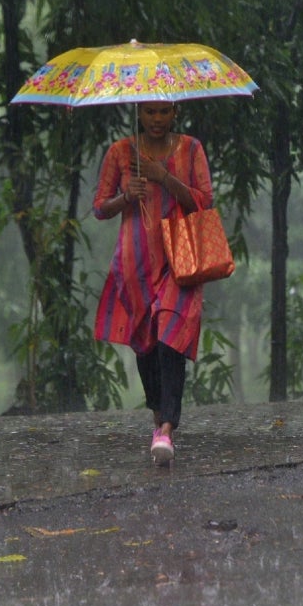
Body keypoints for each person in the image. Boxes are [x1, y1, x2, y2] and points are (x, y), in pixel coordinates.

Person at [92, 101, 213, 466]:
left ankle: (166, 428)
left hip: (180, 260)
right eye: (149, 112)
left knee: (171, 332)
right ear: (139, 113)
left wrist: (164, 178)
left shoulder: (192, 149)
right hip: (134, 262)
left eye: (163, 112)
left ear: (175, 111)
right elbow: (100, 208)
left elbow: (204, 201)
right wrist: (125, 196)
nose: (156, 119)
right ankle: (158, 417)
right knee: (145, 341)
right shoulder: (120, 152)